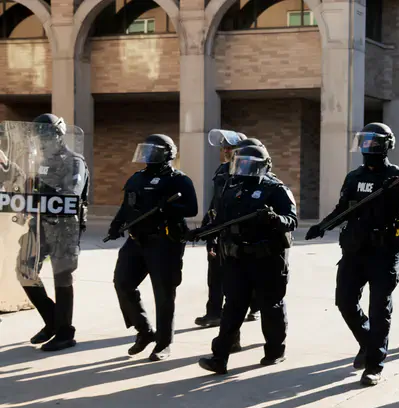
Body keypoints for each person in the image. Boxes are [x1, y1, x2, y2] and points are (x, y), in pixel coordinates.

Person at [305, 122, 399, 386]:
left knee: (379, 308)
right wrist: (322, 226)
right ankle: (368, 342)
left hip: (385, 252)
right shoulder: (353, 177)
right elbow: (343, 208)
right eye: (364, 142)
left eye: (373, 143)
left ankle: (374, 364)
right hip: (355, 250)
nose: (368, 148)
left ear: (385, 145)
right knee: (344, 302)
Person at [195, 140, 297, 374]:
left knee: (271, 306)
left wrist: (274, 219)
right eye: (240, 164)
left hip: (268, 259)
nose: (244, 170)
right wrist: (204, 232)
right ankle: (219, 357)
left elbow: (292, 220)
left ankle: (274, 351)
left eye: (250, 165)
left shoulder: (276, 189)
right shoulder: (233, 189)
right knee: (232, 307)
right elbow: (220, 219)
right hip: (237, 259)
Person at [107, 134, 198, 361]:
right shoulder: (137, 178)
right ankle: (144, 331)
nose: (148, 156)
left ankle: (163, 343)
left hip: (165, 242)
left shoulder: (179, 179)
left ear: (167, 153)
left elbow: (192, 208)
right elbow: (126, 206)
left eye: (153, 151)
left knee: (164, 294)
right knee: (123, 283)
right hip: (136, 240)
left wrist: (168, 208)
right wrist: (116, 225)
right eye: (145, 151)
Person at [16, 114, 90, 351]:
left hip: (63, 227)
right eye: (39, 138)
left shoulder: (74, 160)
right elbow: (31, 188)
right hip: (38, 224)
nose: (42, 142)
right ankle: (53, 322)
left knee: (62, 276)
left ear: (58, 135)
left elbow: (71, 193)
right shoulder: (40, 161)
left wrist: (44, 191)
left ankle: (65, 332)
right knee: (24, 270)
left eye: (46, 136)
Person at [194, 130, 261, 328]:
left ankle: (255, 307)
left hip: (242, 231)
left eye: (229, 147)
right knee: (215, 273)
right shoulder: (222, 170)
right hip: (219, 227)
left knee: (249, 275)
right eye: (223, 147)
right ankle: (214, 312)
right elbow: (215, 201)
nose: (225, 151)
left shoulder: (250, 170)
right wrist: (208, 226)